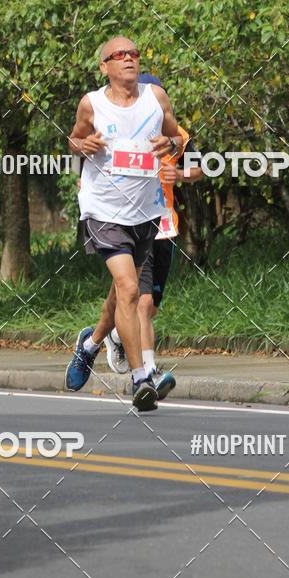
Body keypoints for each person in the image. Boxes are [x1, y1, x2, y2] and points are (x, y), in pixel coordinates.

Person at [65, 36, 182, 410]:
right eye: (120, 55)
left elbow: (176, 136)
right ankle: (140, 379)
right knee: (130, 288)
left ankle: (90, 343)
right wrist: (82, 146)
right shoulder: (92, 103)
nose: (129, 59)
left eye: (134, 53)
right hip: (103, 210)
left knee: (120, 294)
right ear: (105, 66)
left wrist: (171, 145)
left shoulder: (155, 98)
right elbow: (74, 139)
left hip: (145, 212)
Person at [104, 73, 202, 396]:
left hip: (165, 226)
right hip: (131, 225)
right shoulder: (118, 132)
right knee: (142, 302)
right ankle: (149, 372)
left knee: (151, 305)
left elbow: (199, 169)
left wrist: (181, 174)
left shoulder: (178, 136)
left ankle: (118, 335)